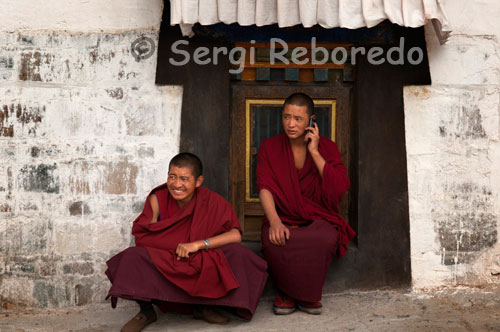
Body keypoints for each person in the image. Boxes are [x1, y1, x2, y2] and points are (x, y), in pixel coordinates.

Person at [105, 153, 268, 332]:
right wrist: (175, 245)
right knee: (132, 257)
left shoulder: (210, 201)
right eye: (172, 177)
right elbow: (143, 237)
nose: (176, 184)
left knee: (238, 253)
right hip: (168, 256)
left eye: (184, 179)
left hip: (198, 254)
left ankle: (203, 307)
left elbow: (235, 235)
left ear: (198, 181)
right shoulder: (157, 199)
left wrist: (198, 244)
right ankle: (146, 311)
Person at [257, 93, 356, 315]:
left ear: (311, 120)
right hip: (282, 217)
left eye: (298, 119)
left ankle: (307, 295)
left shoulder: (327, 148)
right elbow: (264, 187)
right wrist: (274, 222)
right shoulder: (269, 147)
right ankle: (286, 292)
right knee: (275, 239)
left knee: (326, 237)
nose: (291, 124)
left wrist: (315, 151)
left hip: (318, 218)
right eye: (286, 117)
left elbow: (340, 186)